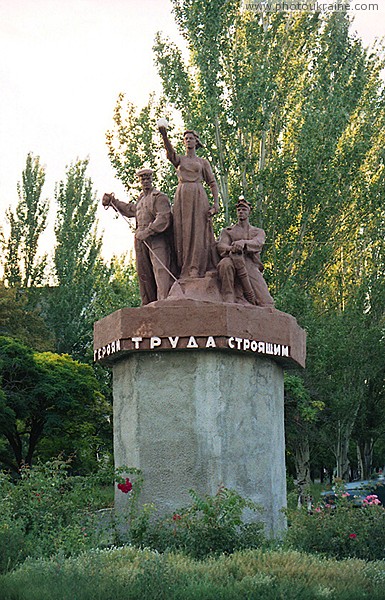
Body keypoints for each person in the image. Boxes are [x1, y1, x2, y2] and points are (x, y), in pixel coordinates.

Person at [102, 168, 173, 305]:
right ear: (139, 181)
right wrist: (113, 202)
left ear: (152, 179)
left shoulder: (159, 197)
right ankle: (148, 304)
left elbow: (164, 217)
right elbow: (131, 210)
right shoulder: (141, 200)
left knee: (160, 270)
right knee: (144, 273)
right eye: (143, 179)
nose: (145, 181)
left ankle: (164, 303)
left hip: (156, 239)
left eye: (148, 178)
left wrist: (147, 231)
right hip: (140, 241)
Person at [158, 126, 219, 279]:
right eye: (185, 139)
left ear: (196, 141)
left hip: (198, 195)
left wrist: (216, 204)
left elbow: (212, 182)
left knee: (198, 231)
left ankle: (195, 267)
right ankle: (184, 267)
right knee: (182, 231)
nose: (188, 141)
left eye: (191, 138)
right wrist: (164, 136)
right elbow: (170, 155)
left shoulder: (202, 162)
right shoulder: (180, 160)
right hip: (182, 195)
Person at [216, 197, 274, 307]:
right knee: (225, 264)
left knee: (266, 302)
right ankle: (228, 296)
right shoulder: (228, 231)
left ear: (249, 212)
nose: (241, 212)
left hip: (250, 263)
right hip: (232, 259)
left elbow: (258, 243)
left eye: (244, 210)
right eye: (239, 210)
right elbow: (221, 245)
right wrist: (231, 249)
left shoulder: (258, 231)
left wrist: (243, 243)